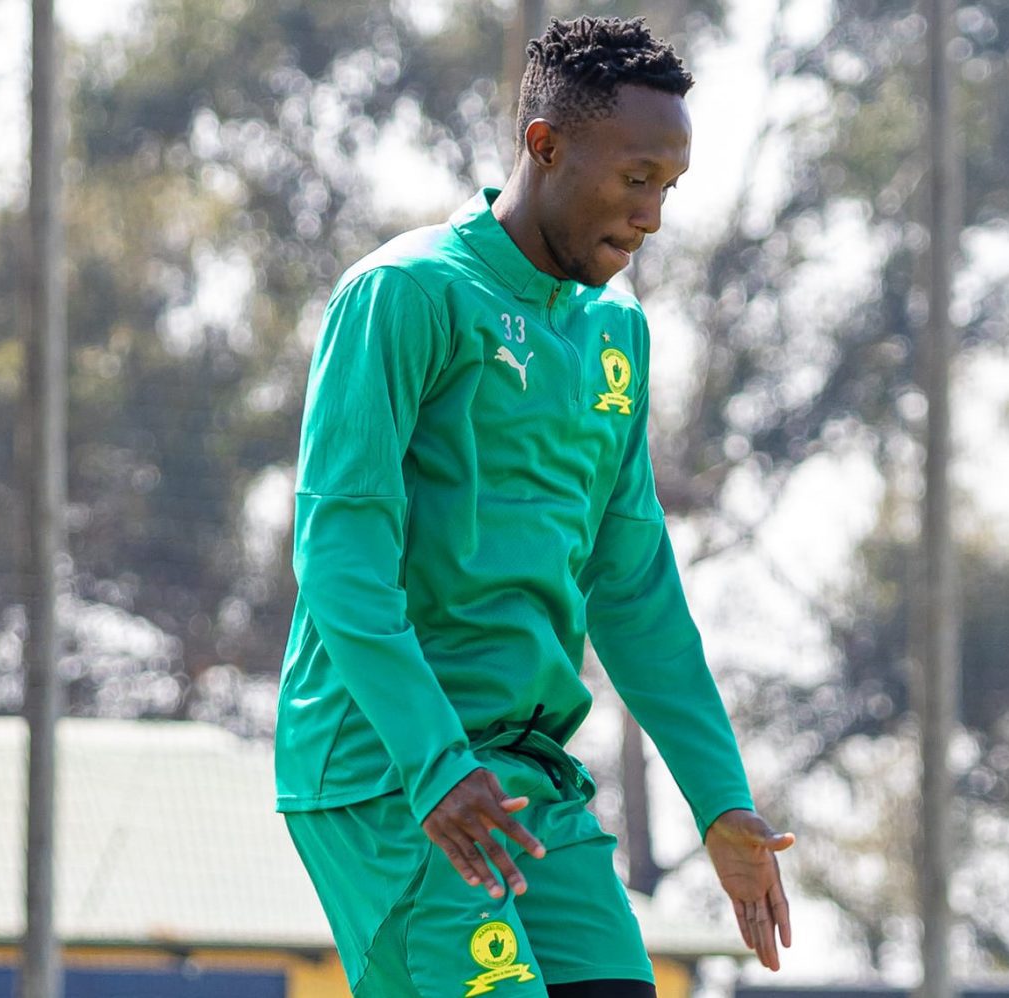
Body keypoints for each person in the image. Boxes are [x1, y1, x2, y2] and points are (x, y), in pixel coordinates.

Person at [276, 15, 793, 997]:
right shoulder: (403, 294)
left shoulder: (616, 334)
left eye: (669, 189)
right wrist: (433, 763)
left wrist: (721, 802)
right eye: (636, 179)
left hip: (524, 776)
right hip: (390, 769)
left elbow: (632, 587)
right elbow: (340, 557)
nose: (651, 215)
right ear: (544, 145)